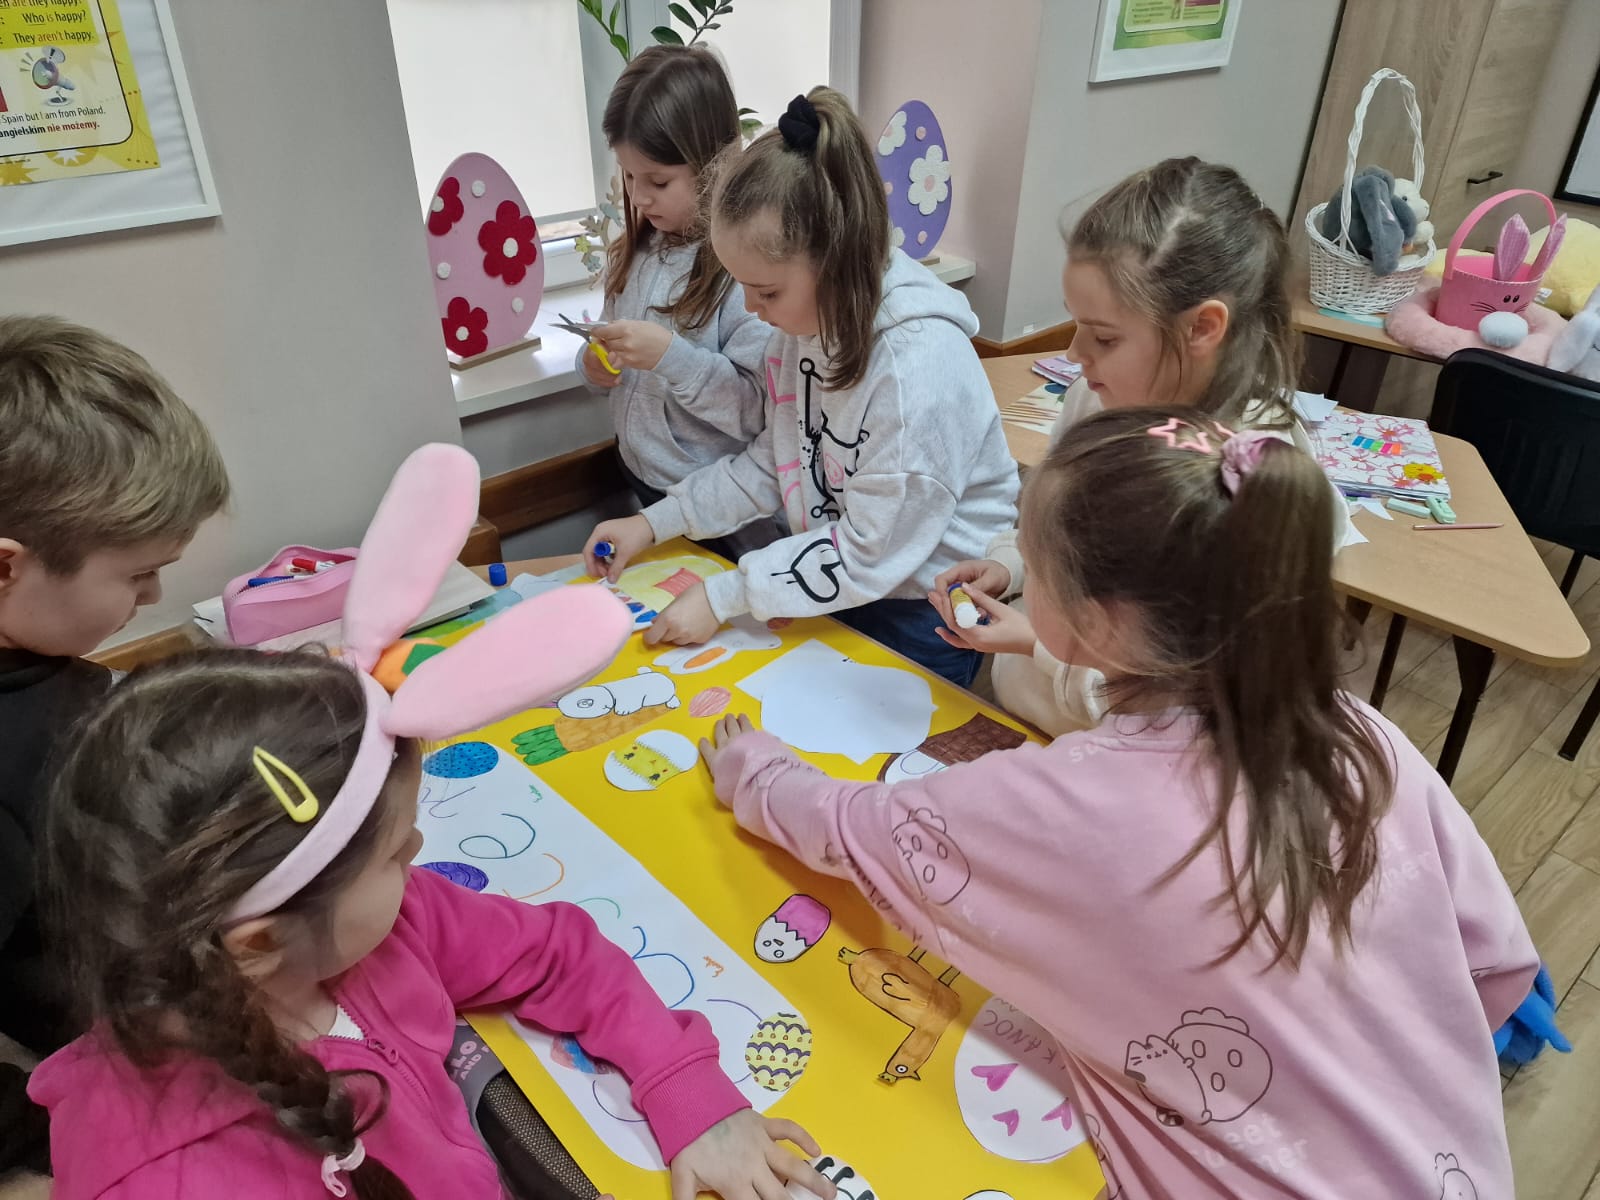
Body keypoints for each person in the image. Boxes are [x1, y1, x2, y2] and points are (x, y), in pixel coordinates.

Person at [703, 407, 1535, 1199]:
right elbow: (1497, 963)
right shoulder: (1363, 731)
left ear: (1096, 624)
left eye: (1035, 567)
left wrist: (752, 768)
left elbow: (852, 829)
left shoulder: (1069, 799)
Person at [585, 89, 1018, 686]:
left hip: (925, 609)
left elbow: (870, 552)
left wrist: (725, 596)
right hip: (842, 579)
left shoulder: (916, 370)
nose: (750, 308)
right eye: (743, 287)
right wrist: (654, 522)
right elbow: (777, 460)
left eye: (766, 291)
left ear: (837, 260)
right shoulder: (805, 326)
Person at [934, 157, 1349, 732]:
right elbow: (1053, 527)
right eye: (1076, 323)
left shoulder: (1251, 473)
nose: (1075, 353)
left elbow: (1186, 710)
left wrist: (1036, 645)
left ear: (1202, 327)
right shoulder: (1093, 395)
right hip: (1034, 723)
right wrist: (1011, 567)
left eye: (1104, 336)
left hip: (1127, 755)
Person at [0, 315, 230, 1177]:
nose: (157, 595)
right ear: (6, 568)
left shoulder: (41, 665)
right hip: (104, 1044)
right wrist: (57, 1131)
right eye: (137, 575)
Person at [580, 44, 779, 559]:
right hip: (646, 486)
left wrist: (671, 358)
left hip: (723, 507)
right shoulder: (635, 252)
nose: (639, 196)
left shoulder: (745, 272)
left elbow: (755, 410)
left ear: (713, 165)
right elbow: (608, 345)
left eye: (658, 180)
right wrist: (595, 364)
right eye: (628, 175)